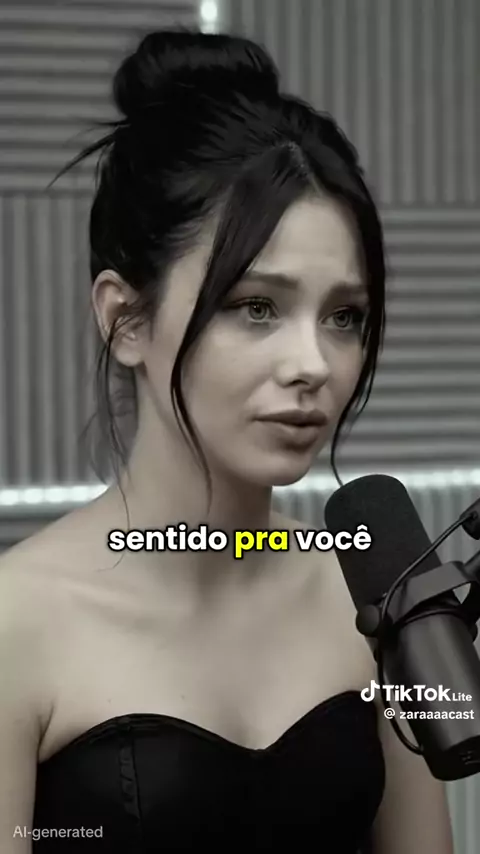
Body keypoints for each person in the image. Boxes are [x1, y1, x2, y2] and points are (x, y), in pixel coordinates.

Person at [0, 28, 453, 854]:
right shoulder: (17, 623)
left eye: (344, 316)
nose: (313, 364)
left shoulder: (370, 606)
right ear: (125, 319)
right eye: (256, 307)